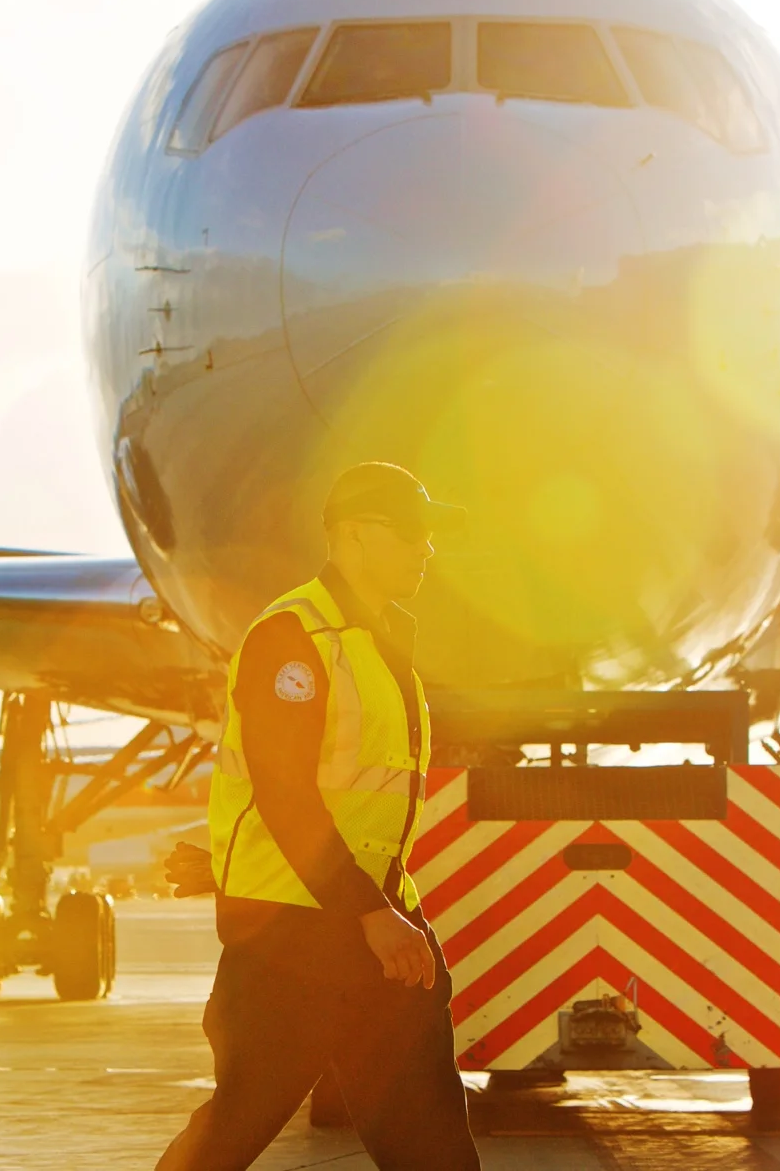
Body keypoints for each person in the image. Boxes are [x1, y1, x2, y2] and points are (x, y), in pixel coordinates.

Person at [156, 462, 482, 1171]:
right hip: (291, 937)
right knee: (235, 1127)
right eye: (411, 533)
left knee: (431, 1140)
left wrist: (386, 910)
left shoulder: (380, 641)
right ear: (355, 536)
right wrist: (368, 910)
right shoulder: (294, 638)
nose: (426, 549)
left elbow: (353, 798)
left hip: (375, 926)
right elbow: (283, 789)